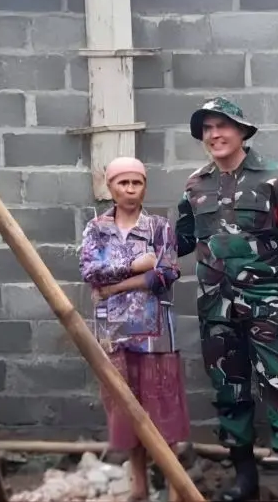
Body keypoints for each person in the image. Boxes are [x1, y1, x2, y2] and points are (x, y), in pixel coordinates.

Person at [175, 98, 278, 502]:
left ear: (242, 131)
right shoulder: (195, 184)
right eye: (207, 128)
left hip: (267, 303)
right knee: (229, 389)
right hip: (216, 308)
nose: (214, 135)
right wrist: (134, 238)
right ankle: (245, 478)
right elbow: (182, 240)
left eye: (222, 126)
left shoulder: (275, 177)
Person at [80, 156, 189, 502]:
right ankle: (139, 486)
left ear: (144, 186)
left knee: (163, 413)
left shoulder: (159, 228)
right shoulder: (96, 229)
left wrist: (114, 287)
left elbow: (166, 274)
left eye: (136, 183)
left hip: (155, 334)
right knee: (128, 412)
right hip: (113, 334)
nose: (130, 189)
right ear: (110, 187)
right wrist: (134, 265)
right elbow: (89, 271)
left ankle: (175, 488)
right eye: (122, 183)